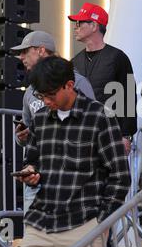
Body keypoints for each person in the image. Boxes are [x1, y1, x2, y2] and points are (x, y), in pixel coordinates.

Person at [15, 56, 131, 247]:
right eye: (41, 95)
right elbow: (33, 161)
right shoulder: (40, 118)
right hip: (40, 222)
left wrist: (101, 222)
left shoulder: (101, 115)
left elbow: (120, 176)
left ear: (69, 85)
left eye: (51, 95)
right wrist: (31, 173)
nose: (46, 101)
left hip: (84, 223)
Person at [10, 31, 95, 214]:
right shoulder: (29, 92)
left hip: (72, 180)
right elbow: (27, 135)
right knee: (35, 234)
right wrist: (21, 136)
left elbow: (91, 125)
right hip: (37, 177)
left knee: (73, 238)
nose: (21, 57)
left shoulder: (77, 82)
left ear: (41, 50)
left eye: (25, 51)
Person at [68, 3, 137, 155]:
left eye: (79, 23)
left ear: (94, 25)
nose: (75, 27)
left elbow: (129, 97)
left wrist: (126, 135)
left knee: (112, 177)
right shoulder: (74, 62)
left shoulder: (118, 58)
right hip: (80, 135)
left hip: (110, 134)